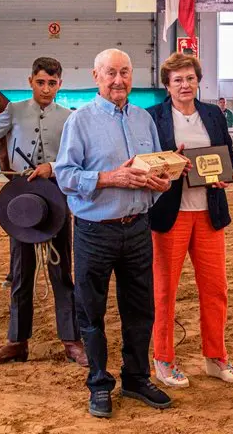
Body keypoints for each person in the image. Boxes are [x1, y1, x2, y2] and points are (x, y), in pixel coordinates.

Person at [54, 48, 173, 418]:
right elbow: (65, 176)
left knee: (140, 310)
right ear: (96, 76)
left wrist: (162, 181)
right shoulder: (80, 122)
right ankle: (99, 383)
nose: (118, 80)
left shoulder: (143, 120)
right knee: (92, 312)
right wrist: (109, 177)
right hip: (95, 231)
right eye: (110, 73)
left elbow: (154, 166)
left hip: (138, 229)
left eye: (124, 72)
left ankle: (136, 378)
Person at [0, 57, 87, 368]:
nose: (46, 88)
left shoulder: (69, 118)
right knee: (20, 271)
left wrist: (52, 167)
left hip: (55, 197)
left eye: (52, 83)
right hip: (20, 198)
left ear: (60, 85)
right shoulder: (13, 111)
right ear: (31, 81)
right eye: (40, 82)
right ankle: (17, 341)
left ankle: (71, 340)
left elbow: (77, 156)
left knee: (61, 272)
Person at [146, 53, 233, 389]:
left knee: (216, 290)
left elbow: (228, 154)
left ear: (197, 80)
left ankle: (216, 357)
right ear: (167, 85)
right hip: (170, 214)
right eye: (177, 80)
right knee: (164, 291)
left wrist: (225, 174)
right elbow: (147, 162)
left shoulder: (214, 114)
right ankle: (163, 359)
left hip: (209, 213)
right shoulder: (152, 117)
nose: (185, 85)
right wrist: (171, 163)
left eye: (190, 78)